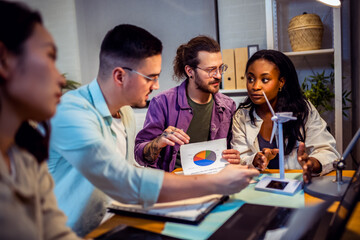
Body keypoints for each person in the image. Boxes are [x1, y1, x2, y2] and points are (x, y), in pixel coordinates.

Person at [48, 24, 259, 236]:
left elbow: (129, 170)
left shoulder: (125, 112)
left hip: (114, 221)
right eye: (151, 77)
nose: (156, 85)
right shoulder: (71, 112)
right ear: (120, 76)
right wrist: (213, 183)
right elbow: (121, 179)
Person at [0, 1, 80, 239]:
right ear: (3, 60)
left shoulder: (26, 154)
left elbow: (56, 234)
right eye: (49, 57)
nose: (62, 79)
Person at [230, 49, 340, 183]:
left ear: (281, 82)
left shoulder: (303, 110)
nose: (255, 86)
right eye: (250, 78)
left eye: (265, 79)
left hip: (298, 185)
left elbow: (328, 151)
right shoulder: (241, 116)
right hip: (259, 187)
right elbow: (240, 156)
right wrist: (255, 159)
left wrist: (312, 163)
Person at [135, 36, 241, 172]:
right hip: (175, 184)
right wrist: (159, 141)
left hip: (214, 182)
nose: (218, 75)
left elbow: (232, 154)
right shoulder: (163, 103)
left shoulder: (228, 106)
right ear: (190, 71)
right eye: (211, 70)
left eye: (221, 68)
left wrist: (235, 157)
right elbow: (140, 155)